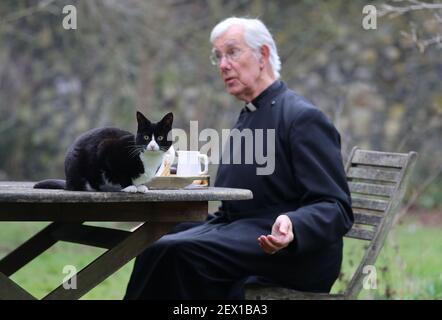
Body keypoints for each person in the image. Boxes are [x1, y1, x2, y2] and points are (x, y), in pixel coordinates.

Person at [124, 17, 353, 300]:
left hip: (294, 256)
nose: (223, 65)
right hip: (244, 233)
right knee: (154, 242)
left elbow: (336, 208)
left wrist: (293, 223)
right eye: (218, 56)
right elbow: (233, 212)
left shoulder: (302, 118)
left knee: (172, 252)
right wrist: (170, 223)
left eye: (232, 52)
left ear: (263, 55)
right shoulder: (250, 114)